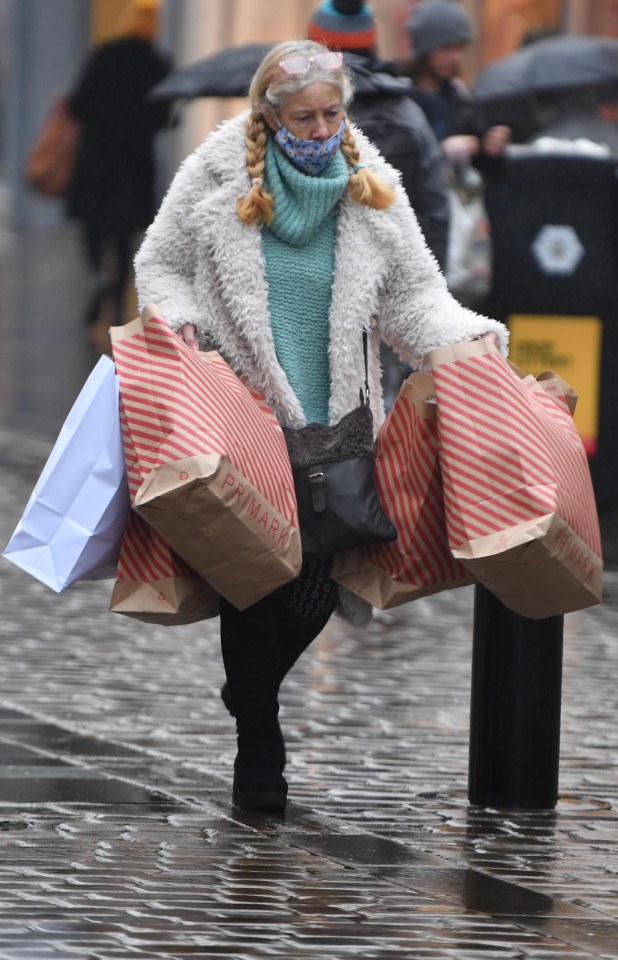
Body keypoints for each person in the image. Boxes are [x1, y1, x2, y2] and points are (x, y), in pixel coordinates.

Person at [134, 39, 508, 812]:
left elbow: (414, 293)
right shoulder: (216, 172)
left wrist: (467, 338)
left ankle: (249, 691)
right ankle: (260, 748)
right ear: (270, 114)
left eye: (332, 113)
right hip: (244, 417)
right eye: (303, 116)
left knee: (314, 584)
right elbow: (160, 264)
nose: (321, 129)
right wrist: (182, 323)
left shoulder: (373, 185)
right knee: (253, 579)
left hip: (336, 425)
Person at [307, 0, 450, 267]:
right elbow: (436, 202)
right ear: (372, 45)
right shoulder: (407, 110)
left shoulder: (298, 113)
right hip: (396, 269)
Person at [66, 0, 172, 330]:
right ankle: (115, 310)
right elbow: (162, 117)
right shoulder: (157, 63)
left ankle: (99, 276)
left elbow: (78, 104)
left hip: (97, 159)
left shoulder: (104, 55)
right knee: (125, 240)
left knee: (93, 227)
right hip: (134, 165)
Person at [402, 0, 510, 167]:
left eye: (460, 48)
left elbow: (483, 164)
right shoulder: (399, 99)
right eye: (447, 48)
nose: (456, 57)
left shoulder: (461, 97)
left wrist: (491, 146)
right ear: (425, 49)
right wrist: (441, 153)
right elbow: (395, 161)